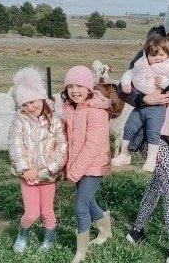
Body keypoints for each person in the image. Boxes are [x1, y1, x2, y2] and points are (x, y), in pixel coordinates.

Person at [120, 0, 169, 263]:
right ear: (168, 28)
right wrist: (144, 98)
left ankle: (137, 231)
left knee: (158, 185)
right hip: (155, 133)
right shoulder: (153, 51)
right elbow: (124, 88)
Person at [8, 66, 68, 253]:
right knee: (32, 213)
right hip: (29, 175)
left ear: (41, 98)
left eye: (32, 102)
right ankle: (23, 233)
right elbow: (15, 145)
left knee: (47, 212)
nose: (29, 108)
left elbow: (62, 146)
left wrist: (49, 169)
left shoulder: (55, 120)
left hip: (48, 175)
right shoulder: (19, 119)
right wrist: (25, 169)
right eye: (24, 105)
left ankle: (49, 239)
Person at [62, 65, 113, 263]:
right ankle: (105, 230)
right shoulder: (70, 109)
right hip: (78, 164)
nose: (75, 91)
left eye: (80, 86)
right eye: (70, 86)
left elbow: (92, 146)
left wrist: (74, 171)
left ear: (89, 88)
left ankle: (81, 252)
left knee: (81, 206)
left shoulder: (96, 111)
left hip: (93, 165)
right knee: (89, 201)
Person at [112, 34, 169, 172]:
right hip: (140, 106)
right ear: (146, 55)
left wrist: (163, 83)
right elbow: (128, 74)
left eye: (162, 55)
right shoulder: (140, 65)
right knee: (129, 127)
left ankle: (151, 160)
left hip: (157, 108)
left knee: (152, 132)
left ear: (167, 54)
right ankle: (124, 154)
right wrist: (126, 83)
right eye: (154, 55)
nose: (158, 58)